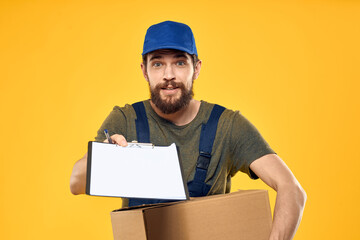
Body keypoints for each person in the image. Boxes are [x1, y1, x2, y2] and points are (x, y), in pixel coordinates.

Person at [70, 20, 306, 240]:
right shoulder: (126, 119)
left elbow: (292, 190)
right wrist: (105, 157)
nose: (169, 75)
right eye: (158, 63)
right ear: (144, 71)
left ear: (197, 67)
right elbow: (76, 183)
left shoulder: (227, 125)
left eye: (180, 62)